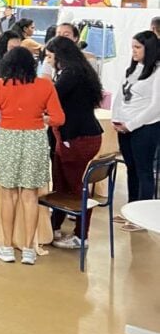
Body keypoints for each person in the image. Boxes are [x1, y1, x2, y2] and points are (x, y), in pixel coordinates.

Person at [0, 47, 65, 265]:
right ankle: (29, 249)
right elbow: (58, 118)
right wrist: (42, 119)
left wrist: (4, 120)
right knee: (30, 196)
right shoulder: (45, 85)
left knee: (8, 195)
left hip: (8, 139)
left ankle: (7, 247)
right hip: (35, 140)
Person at [43, 36, 104, 249]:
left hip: (78, 138)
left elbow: (50, 99)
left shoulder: (71, 74)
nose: (48, 61)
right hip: (78, 135)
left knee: (77, 188)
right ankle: (55, 225)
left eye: (50, 57)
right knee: (62, 183)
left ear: (60, 56)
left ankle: (81, 236)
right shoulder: (80, 71)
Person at [112, 31, 160, 225]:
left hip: (145, 128)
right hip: (124, 127)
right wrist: (117, 120)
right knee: (131, 169)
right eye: (132, 47)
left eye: (138, 47)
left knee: (144, 171)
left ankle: (143, 217)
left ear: (149, 49)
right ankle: (131, 211)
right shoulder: (133, 69)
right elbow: (121, 95)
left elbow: (156, 107)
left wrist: (131, 125)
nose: (134, 51)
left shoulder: (157, 71)